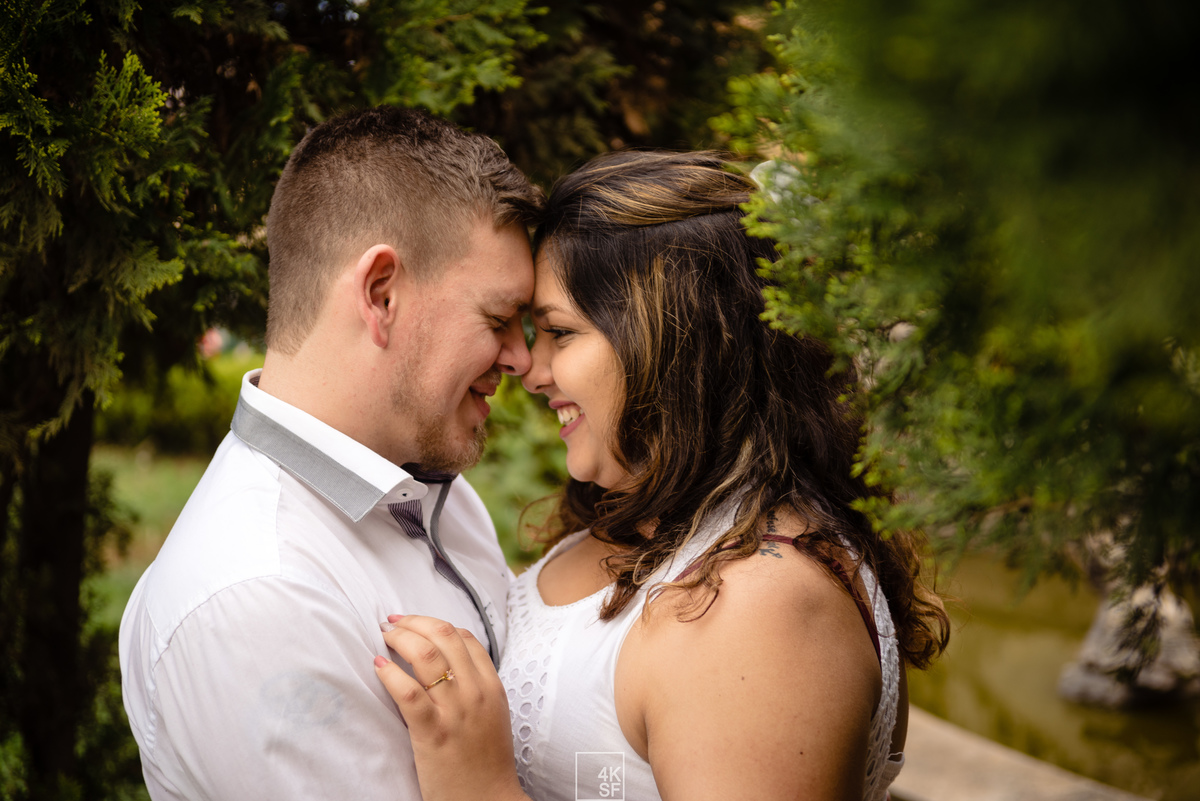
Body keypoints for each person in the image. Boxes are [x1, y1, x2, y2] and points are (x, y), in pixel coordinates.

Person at [372, 150, 950, 801]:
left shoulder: (759, 610)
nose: (530, 370)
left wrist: (481, 787)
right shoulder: (652, 518)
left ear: (674, 342)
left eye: (560, 332)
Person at [119, 106, 543, 800]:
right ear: (381, 294)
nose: (522, 359)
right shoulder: (260, 596)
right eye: (499, 319)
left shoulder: (433, 489)